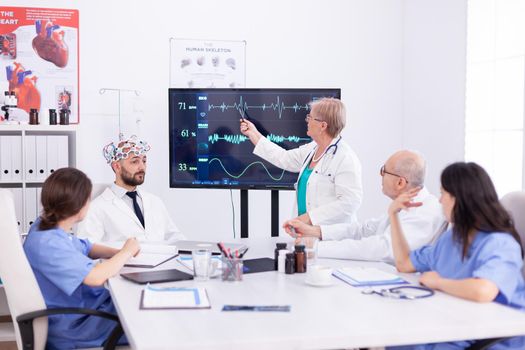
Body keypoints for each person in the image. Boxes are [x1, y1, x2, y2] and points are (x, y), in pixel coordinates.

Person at [388, 162, 525, 349]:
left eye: (443, 193)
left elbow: (483, 291)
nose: (439, 200)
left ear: (458, 199)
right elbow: (404, 263)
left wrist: (438, 282)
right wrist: (393, 214)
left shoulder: (500, 244)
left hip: (492, 338)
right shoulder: (451, 239)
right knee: (397, 342)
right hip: (454, 327)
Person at [23, 167, 140, 349]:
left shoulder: (47, 227)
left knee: (138, 300)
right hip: (78, 325)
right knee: (148, 319)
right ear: (79, 204)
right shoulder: (48, 242)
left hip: (87, 310)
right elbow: (95, 277)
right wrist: (125, 252)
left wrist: (118, 253)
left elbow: (86, 247)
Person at [283, 150, 446, 263]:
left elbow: (381, 249)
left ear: (400, 182)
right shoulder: (406, 205)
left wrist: (316, 247)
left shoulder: (425, 212)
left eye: (384, 171)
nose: (380, 175)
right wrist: (315, 232)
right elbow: (363, 230)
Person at [240, 97, 362, 226]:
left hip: (331, 237)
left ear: (323, 125)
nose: (307, 121)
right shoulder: (312, 148)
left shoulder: (345, 158)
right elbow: (284, 158)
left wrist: (310, 218)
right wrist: (253, 133)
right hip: (305, 231)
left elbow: (350, 203)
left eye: (310, 117)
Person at [76, 135, 185, 242]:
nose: (142, 167)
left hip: (161, 260)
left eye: (144, 161)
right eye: (135, 161)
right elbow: (87, 250)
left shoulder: (155, 201)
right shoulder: (96, 208)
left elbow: (175, 238)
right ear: (117, 167)